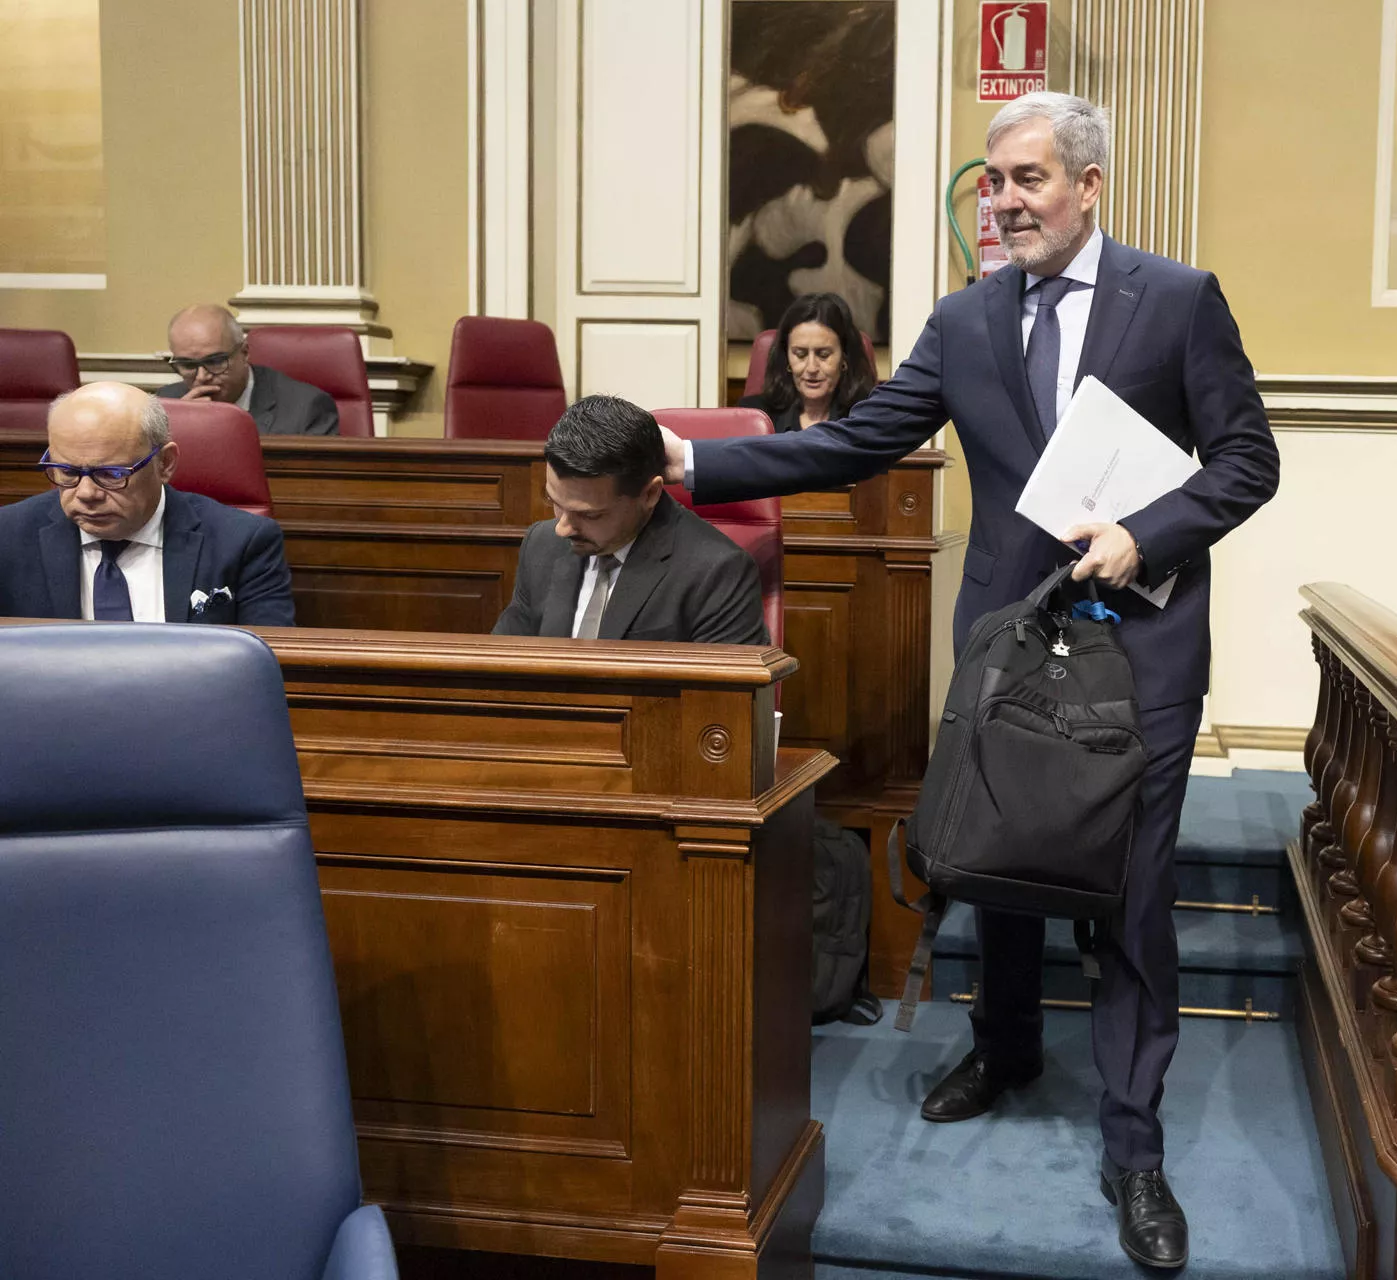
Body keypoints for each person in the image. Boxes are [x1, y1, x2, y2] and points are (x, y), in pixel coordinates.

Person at [662, 92, 1278, 1270]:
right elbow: (858, 439)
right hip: (1008, 638)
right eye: (994, 183)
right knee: (999, 855)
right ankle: (1004, 1046)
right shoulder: (964, 318)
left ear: (1089, 185)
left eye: (1029, 179)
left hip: (1142, 644)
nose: (1004, 203)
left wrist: (1146, 532)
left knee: (1133, 890)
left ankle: (1134, 1142)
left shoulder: (1177, 299)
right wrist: (701, 459)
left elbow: (1248, 460)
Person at [0, 382, 297, 626]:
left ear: (165, 463)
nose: (86, 493)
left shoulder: (242, 542)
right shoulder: (8, 537)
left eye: (111, 474)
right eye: (67, 472)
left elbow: (267, 661)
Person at [493, 394, 770, 645]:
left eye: (589, 514)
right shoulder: (541, 545)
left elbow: (722, 687)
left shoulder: (718, 572)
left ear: (649, 494)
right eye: (554, 501)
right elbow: (503, 663)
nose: (562, 529)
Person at [156, 304, 340, 436]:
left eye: (215, 361)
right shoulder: (165, 405)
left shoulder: (306, 408)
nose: (202, 377)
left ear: (244, 353)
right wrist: (180, 429)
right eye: (188, 365)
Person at [739, 292, 878, 432]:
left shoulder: (869, 417)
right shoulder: (754, 416)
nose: (811, 368)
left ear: (844, 357)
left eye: (823, 355)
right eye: (800, 355)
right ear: (787, 356)